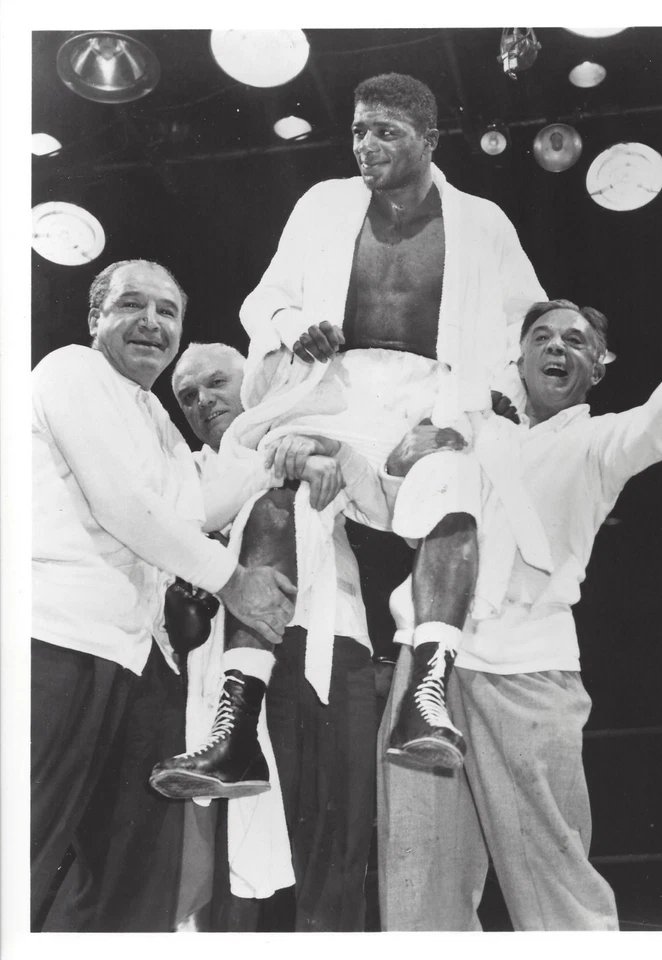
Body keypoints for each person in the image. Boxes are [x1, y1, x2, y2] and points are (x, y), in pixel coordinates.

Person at [376, 278, 662, 931]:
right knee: (417, 885)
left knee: (556, 884)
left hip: (528, 672)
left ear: (597, 367)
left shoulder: (598, 445)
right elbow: (402, 513)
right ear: (518, 359)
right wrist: (397, 461)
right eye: (540, 337)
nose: (556, 347)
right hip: (427, 667)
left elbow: (660, 422)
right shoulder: (471, 432)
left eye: (575, 340)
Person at [233, 72, 548, 771]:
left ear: (429, 140)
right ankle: (236, 722)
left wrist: (479, 408)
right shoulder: (322, 204)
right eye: (357, 130)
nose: (365, 146)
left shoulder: (482, 222)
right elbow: (264, 298)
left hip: (429, 397)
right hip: (334, 390)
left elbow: (524, 327)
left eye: (386, 132)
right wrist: (293, 324)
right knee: (272, 500)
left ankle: (424, 700)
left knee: (455, 483)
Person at [31, 260, 297, 931]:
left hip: (129, 660)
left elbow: (193, 505)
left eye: (168, 311)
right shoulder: (72, 370)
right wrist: (233, 581)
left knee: (129, 878)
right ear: (95, 320)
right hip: (48, 639)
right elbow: (123, 504)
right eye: (132, 305)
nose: (152, 322)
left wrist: (287, 440)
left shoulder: (154, 417)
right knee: (26, 842)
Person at [153, 342, 389, 931]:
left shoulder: (308, 434)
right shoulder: (186, 474)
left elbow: (388, 508)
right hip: (219, 669)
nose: (203, 401)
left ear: (255, 383)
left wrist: (328, 451)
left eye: (216, 383)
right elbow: (177, 525)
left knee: (334, 854)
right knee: (233, 879)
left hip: (328, 645)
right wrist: (277, 466)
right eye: (187, 396)